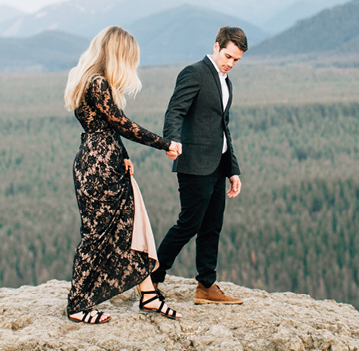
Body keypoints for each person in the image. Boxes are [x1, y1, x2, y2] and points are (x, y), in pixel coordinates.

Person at [64, 26, 182, 324]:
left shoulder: (86, 80)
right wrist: (165, 143)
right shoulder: (98, 84)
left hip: (103, 160)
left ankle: (149, 294)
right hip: (100, 166)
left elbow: (105, 127)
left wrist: (125, 157)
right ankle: (77, 305)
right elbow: (121, 123)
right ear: (118, 54)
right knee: (96, 233)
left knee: (133, 223)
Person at [151, 26, 247, 305]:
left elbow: (223, 127)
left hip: (218, 164)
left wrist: (232, 169)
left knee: (212, 226)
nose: (230, 63)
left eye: (236, 60)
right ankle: (152, 277)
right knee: (188, 224)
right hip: (193, 163)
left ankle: (206, 285)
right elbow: (175, 110)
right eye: (228, 56)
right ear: (216, 46)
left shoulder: (226, 82)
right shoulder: (194, 72)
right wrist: (171, 141)